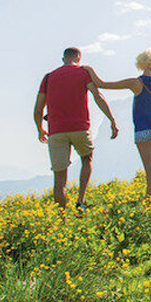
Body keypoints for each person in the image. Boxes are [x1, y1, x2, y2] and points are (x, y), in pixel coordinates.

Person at [86, 49, 151, 197]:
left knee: (150, 170)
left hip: (143, 129)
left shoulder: (135, 83)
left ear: (140, 63)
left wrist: (89, 70)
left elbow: (102, 84)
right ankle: (149, 203)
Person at [33, 47, 118, 211]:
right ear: (79, 58)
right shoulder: (83, 73)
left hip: (56, 131)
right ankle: (80, 200)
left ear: (63, 58)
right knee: (87, 159)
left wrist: (40, 129)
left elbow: (38, 110)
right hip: (80, 127)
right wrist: (111, 119)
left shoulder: (48, 78)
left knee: (59, 179)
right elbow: (97, 96)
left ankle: (61, 219)